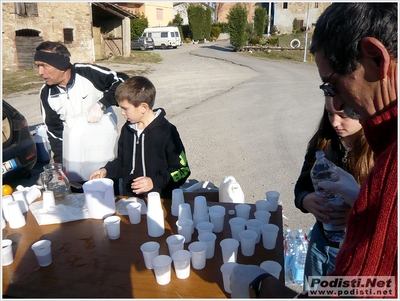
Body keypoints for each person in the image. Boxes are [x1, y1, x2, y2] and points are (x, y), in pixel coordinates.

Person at [230, 3, 397, 298]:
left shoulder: (391, 162)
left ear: (375, 59)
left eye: (332, 84)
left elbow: (362, 291)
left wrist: (264, 286)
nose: (339, 105)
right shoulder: (380, 142)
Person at [294, 96, 374, 291]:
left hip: (352, 250)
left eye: (342, 115)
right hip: (319, 241)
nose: (335, 123)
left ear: (362, 112)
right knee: (312, 292)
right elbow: (302, 184)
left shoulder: (376, 153)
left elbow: (383, 210)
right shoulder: (322, 143)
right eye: (330, 114)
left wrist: (356, 214)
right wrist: (305, 200)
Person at [89, 76, 191, 199]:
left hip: (160, 200)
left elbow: (182, 170)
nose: (122, 112)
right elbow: (123, 161)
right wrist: (106, 171)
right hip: (130, 200)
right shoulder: (127, 130)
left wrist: (154, 182)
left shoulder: (167, 131)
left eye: (125, 108)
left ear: (143, 107)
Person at [34, 41, 128, 164]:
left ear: (60, 65)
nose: (40, 72)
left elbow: (124, 82)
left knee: (105, 182)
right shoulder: (46, 93)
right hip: (76, 154)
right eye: (38, 66)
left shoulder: (87, 73)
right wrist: (62, 162)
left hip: (104, 148)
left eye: (44, 65)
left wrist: (102, 104)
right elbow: (54, 132)